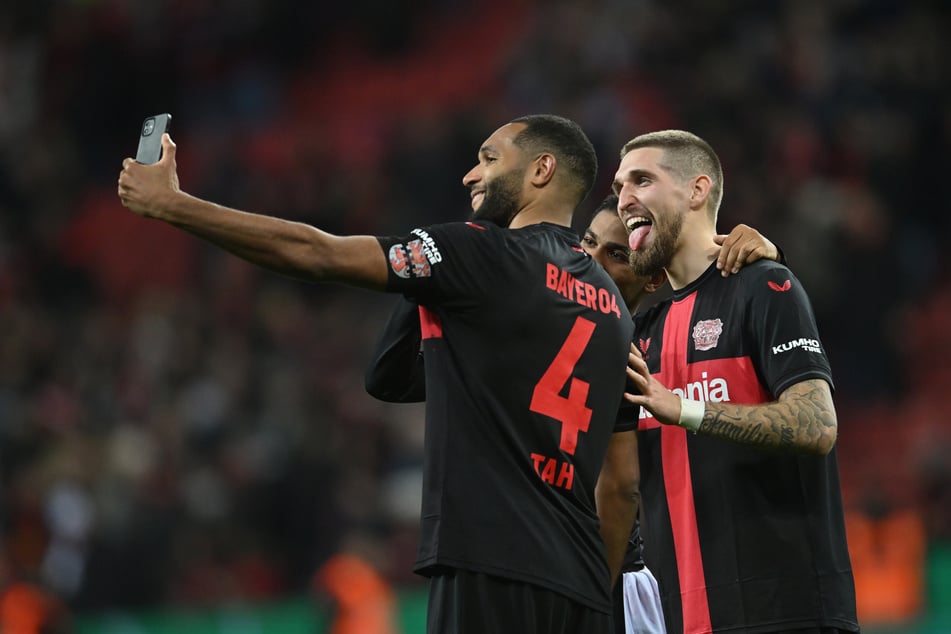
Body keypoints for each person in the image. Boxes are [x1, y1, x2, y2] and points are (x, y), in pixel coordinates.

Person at [118, 114, 637, 634]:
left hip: (491, 560)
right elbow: (621, 487)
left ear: (541, 169)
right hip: (582, 586)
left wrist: (174, 205)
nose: (469, 176)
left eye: (489, 158)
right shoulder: (616, 311)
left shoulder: (484, 252)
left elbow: (317, 252)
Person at [366, 192, 782, 634]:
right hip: (554, 571)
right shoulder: (528, 342)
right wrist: (436, 276)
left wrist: (766, 260)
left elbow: (623, 486)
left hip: (633, 579)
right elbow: (393, 378)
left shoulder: (665, 342)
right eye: (588, 242)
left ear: (654, 277)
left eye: (618, 253)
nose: (594, 259)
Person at [613, 129, 860, 634]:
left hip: (785, 613)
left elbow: (817, 425)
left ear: (698, 190)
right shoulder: (640, 337)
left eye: (642, 180)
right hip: (681, 618)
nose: (624, 199)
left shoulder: (766, 286)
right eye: (618, 187)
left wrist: (683, 409)